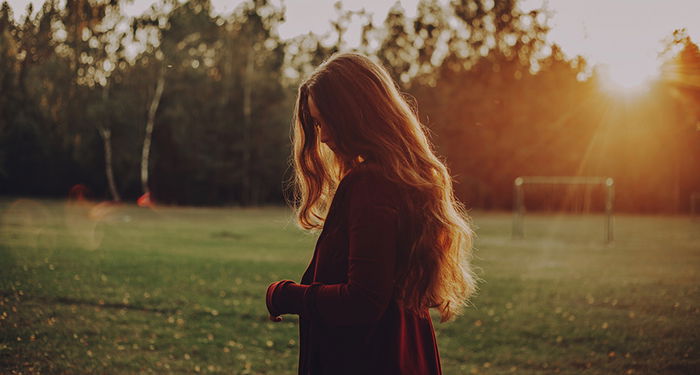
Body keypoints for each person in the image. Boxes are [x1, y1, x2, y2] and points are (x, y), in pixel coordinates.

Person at [265, 52, 478, 375]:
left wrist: (285, 295)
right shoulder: (399, 179)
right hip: (402, 352)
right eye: (317, 124)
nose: (322, 136)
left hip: (371, 358)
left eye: (326, 122)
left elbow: (363, 300)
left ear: (356, 115)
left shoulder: (371, 184)